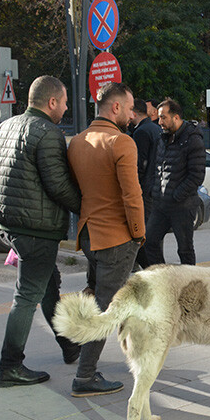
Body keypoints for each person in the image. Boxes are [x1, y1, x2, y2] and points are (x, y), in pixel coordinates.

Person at [0, 76, 82, 387]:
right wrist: (87, 208)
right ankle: (10, 366)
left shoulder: (5, 127)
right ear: (51, 102)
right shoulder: (47, 133)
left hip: (11, 224)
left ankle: (69, 345)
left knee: (48, 283)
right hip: (36, 228)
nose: (66, 107)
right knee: (27, 295)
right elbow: (58, 185)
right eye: (65, 102)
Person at [67, 82, 145, 397]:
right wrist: (139, 233)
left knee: (110, 298)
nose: (131, 114)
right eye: (128, 108)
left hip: (89, 235)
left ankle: (139, 350)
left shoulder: (77, 142)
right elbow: (132, 195)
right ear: (115, 108)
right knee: (107, 309)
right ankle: (85, 377)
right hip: (116, 237)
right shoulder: (121, 142)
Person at [145, 97, 205, 266]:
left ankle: (190, 284)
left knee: (184, 249)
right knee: (150, 242)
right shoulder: (162, 138)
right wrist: (152, 189)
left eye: (163, 117)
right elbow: (154, 166)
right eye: (159, 117)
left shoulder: (193, 139)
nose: (160, 121)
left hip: (182, 206)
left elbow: (197, 175)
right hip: (160, 205)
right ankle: (162, 279)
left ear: (176, 117)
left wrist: (176, 195)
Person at [129, 98, 162, 269]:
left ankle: (153, 270)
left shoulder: (140, 132)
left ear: (133, 113)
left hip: (145, 190)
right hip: (156, 189)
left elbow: (140, 164)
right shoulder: (156, 129)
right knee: (154, 236)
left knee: (143, 236)